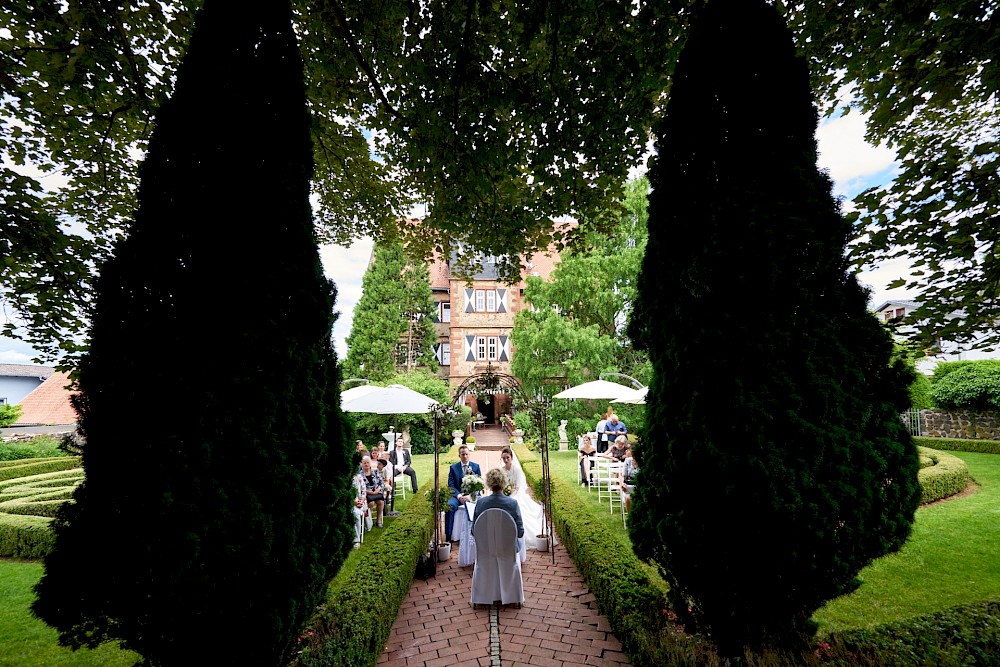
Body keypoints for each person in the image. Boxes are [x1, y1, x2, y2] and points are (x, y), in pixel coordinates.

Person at [499, 446, 556, 551]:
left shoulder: (516, 469)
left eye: (507, 457)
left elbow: (519, 486)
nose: (506, 460)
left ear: (511, 457)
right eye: (504, 458)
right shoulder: (501, 470)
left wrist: (511, 493)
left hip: (516, 494)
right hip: (505, 494)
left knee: (519, 507)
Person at [473, 467, 524, 556]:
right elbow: (520, 533)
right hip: (508, 547)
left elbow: (474, 531)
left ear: (489, 483)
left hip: (486, 548)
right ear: (504, 482)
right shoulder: (513, 504)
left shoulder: (480, 503)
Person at [446, 445, 481, 541]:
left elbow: (479, 485)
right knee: (449, 506)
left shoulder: (476, 467)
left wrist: (470, 496)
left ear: (469, 454)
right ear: (459, 456)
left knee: (481, 504)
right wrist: (459, 496)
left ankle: (478, 533)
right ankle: (448, 536)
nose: (465, 456)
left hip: (471, 495)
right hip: (457, 496)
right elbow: (451, 485)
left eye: (466, 454)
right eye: (463, 454)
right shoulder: (453, 468)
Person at [360, 455, 385, 528]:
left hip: (376, 492)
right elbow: (360, 487)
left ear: (370, 464)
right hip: (367, 493)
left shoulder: (375, 472)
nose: (366, 464)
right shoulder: (360, 474)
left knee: (381, 502)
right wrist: (368, 491)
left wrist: (378, 489)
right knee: (371, 503)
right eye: (364, 463)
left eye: (368, 463)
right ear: (362, 464)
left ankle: (378, 521)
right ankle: (369, 522)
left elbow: (382, 483)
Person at [351, 470, 371, 548]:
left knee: (356, 513)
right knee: (353, 512)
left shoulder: (359, 477)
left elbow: (364, 491)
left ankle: (356, 540)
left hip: (360, 502)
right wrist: (354, 502)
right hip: (350, 503)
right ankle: (355, 538)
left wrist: (361, 501)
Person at [620, 445, 639, 513]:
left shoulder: (643, 461)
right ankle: (631, 517)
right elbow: (623, 476)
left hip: (639, 486)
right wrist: (622, 484)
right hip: (628, 486)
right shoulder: (628, 461)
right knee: (628, 498)